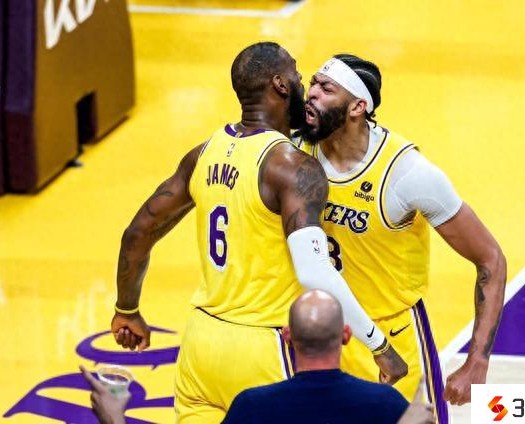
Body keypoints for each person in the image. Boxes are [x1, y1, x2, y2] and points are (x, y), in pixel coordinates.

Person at [109, 42, 407, 423]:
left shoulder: (203, 154)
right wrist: (379, 346)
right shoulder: (292, 168)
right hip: (263, 348)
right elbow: (315, 271)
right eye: (298, 75)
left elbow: (138, 232)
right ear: (281, 85)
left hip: (201, 345)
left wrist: (127, 310)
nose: (304, 86)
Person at [294, 54, 507, 422]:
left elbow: (491, 258)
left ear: (358, 107)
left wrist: (477, 361)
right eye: (312, 83)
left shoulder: (407, 174)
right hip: (312, 334)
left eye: (326, 89)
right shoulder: (292, 149)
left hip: (390, 336)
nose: (311, 93)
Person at [81, 290, 435, 424]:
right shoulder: (385, 403)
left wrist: (115, 418)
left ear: (287, 336)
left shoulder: (252, 407)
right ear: (345, 336)